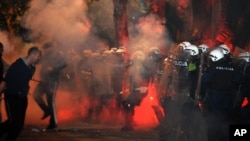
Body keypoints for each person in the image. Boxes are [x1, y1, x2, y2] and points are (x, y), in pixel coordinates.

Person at [201, 48, 243, 141]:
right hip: (228, 97)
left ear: (215, 58)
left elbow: (204, 80)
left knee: (213, 120)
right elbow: (240, 79)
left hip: (214, 96)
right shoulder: (232, 67)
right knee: (225, 119)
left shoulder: (213, 67)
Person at [0, 47, 41, 141]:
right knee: (13, 122)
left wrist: (25, 89)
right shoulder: (17, 65)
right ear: (32, 54)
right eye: (38, 56)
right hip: (12, 96)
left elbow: (25, 81)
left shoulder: (32, 67)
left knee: (19, 125)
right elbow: (5, 80)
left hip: (22, 98)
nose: (39, 58)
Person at [33, 42, 67, 130]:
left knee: (50, 100)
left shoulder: (57, 55)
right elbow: (38, 61)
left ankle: (53, 122)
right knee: (36, 95)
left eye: (45, 48)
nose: (44, 50)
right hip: (44, 80)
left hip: (52, 81)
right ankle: (46, 110)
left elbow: (64, 63)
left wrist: (53, 68)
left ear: (50, 48)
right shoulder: (44, 56)